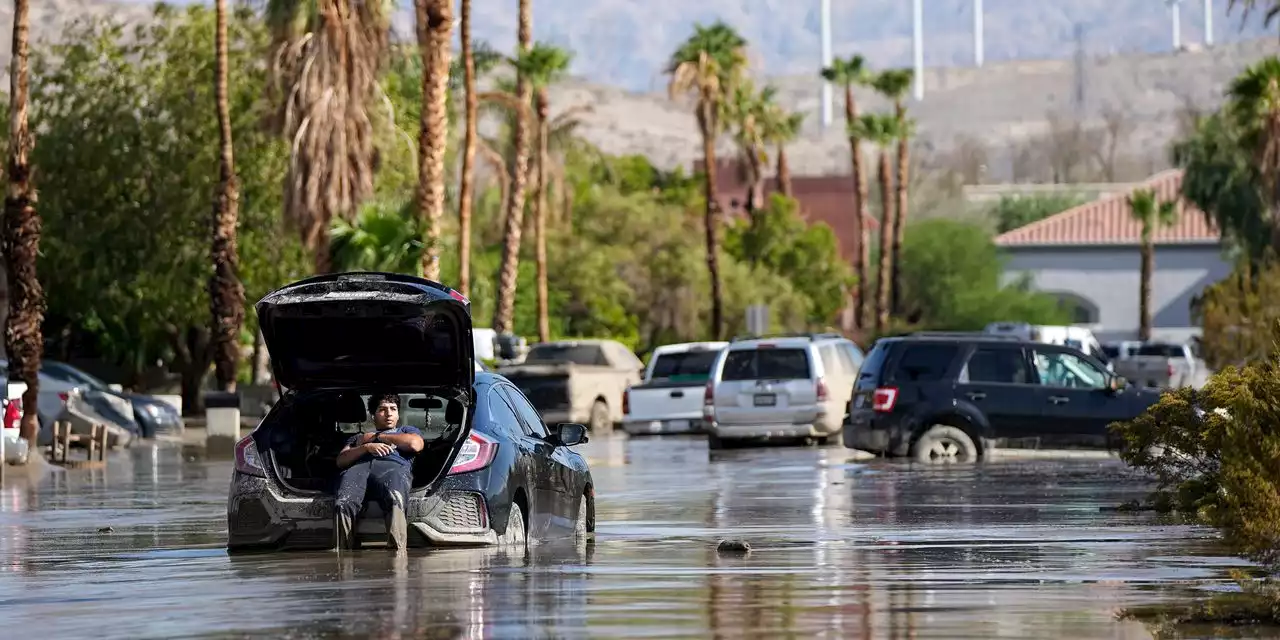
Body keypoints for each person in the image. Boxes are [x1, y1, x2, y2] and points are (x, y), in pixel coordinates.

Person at [333, 392, 425, 550]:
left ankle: (398, 557)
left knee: (395, 498)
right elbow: (341, 461)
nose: (389, 413)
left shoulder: (406, 430)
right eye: (382, 409)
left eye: (393, 409)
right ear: (372, 415)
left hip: (392, 468)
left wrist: (380, 437)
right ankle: (343, 557)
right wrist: (366, 447)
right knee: (343, 502)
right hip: (359, 470)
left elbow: (415, 444)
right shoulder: (360, 438)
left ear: (398, 413)